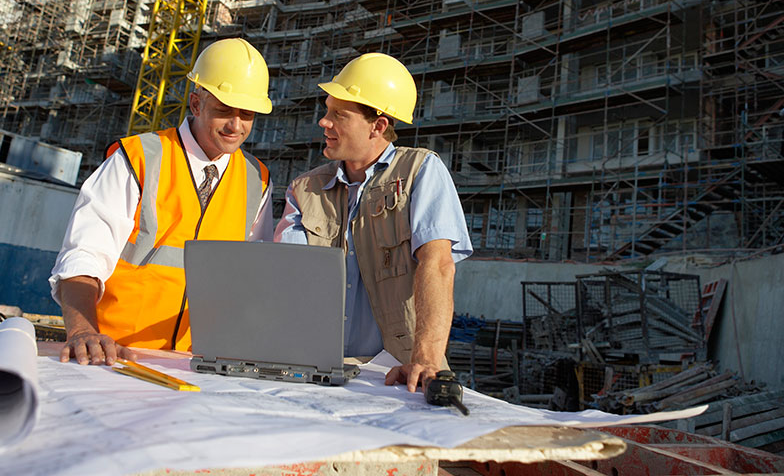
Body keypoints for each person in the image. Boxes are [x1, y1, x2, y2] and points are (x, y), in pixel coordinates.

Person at [51, 38, 273, 366]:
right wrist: (82, 330)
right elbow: (83, 256)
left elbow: (250, 280)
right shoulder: (139, 158)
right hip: (113, 358)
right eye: (224, 110)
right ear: (196, 104)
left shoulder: (257, 179)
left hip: (200, 366)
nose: (236, 125)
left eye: (247, 114)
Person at [274, 52, 473, 393]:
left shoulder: (420, 172)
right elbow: (286, 275)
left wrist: (427, 358)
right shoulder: (304, 189)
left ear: (378, 126)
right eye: (326, 111)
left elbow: (438, 265)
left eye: (339, 115)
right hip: (316, 372)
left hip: (398, 374)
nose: (324, 122)